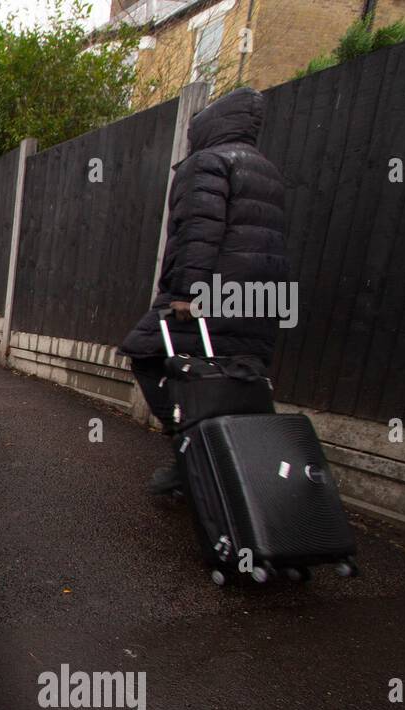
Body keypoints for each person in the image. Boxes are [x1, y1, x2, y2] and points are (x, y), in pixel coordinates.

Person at [120, 87, 288, 495]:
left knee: (145, 354)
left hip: (209, 298)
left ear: (211, 123)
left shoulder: (207, 162)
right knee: (234, 381)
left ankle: (192, 457)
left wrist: (187, 293)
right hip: (260, 303)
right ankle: (236, 473)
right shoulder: (266, 170)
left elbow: (200, 228)